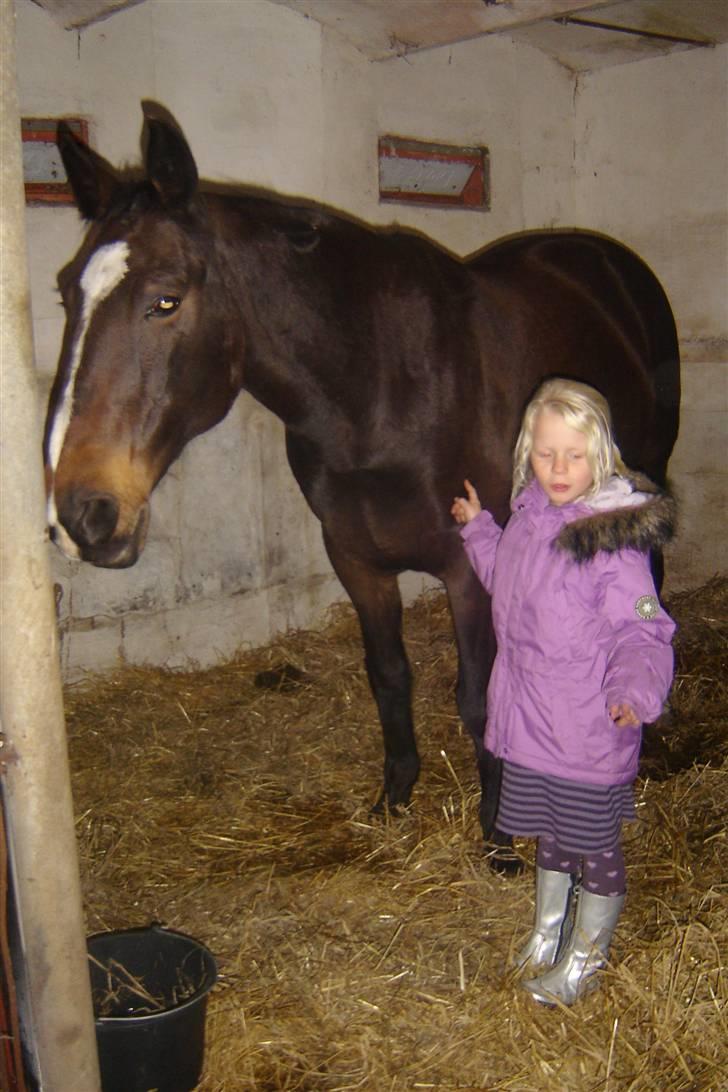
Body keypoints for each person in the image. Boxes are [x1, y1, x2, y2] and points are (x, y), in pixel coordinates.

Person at [451, 377, 676, 1006]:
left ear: (599, 455)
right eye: (546, 452)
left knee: (593, 846)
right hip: (533, 721)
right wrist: (479, 529)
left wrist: (634, 689)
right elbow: (506, 577)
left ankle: (585, 962)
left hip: (585, 726)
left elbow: (644, 625)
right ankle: (547, 936)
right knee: (552, 834)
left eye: (574, 455)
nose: (558, 468)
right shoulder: (530, 518)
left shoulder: (611, 542)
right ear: (528, 450)